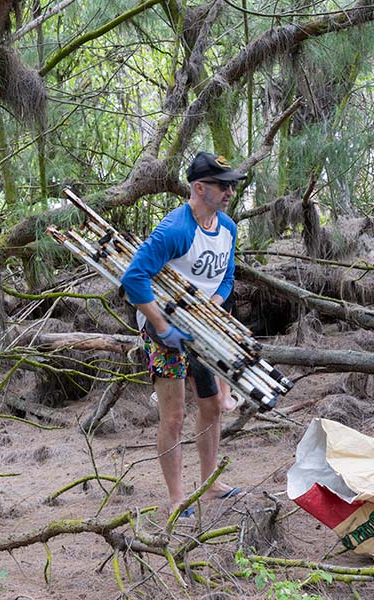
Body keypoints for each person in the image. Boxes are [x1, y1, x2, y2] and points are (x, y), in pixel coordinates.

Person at [121, 151, 245, 517]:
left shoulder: (228, 229)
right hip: (165, 332)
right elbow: (133, 278)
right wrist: (162, 326)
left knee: (212, 406)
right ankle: (177, 497)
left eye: (232, 185)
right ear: (199, 187)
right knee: (173, 416)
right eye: (223, 186)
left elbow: (227, 277)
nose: (230, 192)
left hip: (204, 330)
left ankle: (210, 484)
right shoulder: (174, 230)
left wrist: (214, 306)